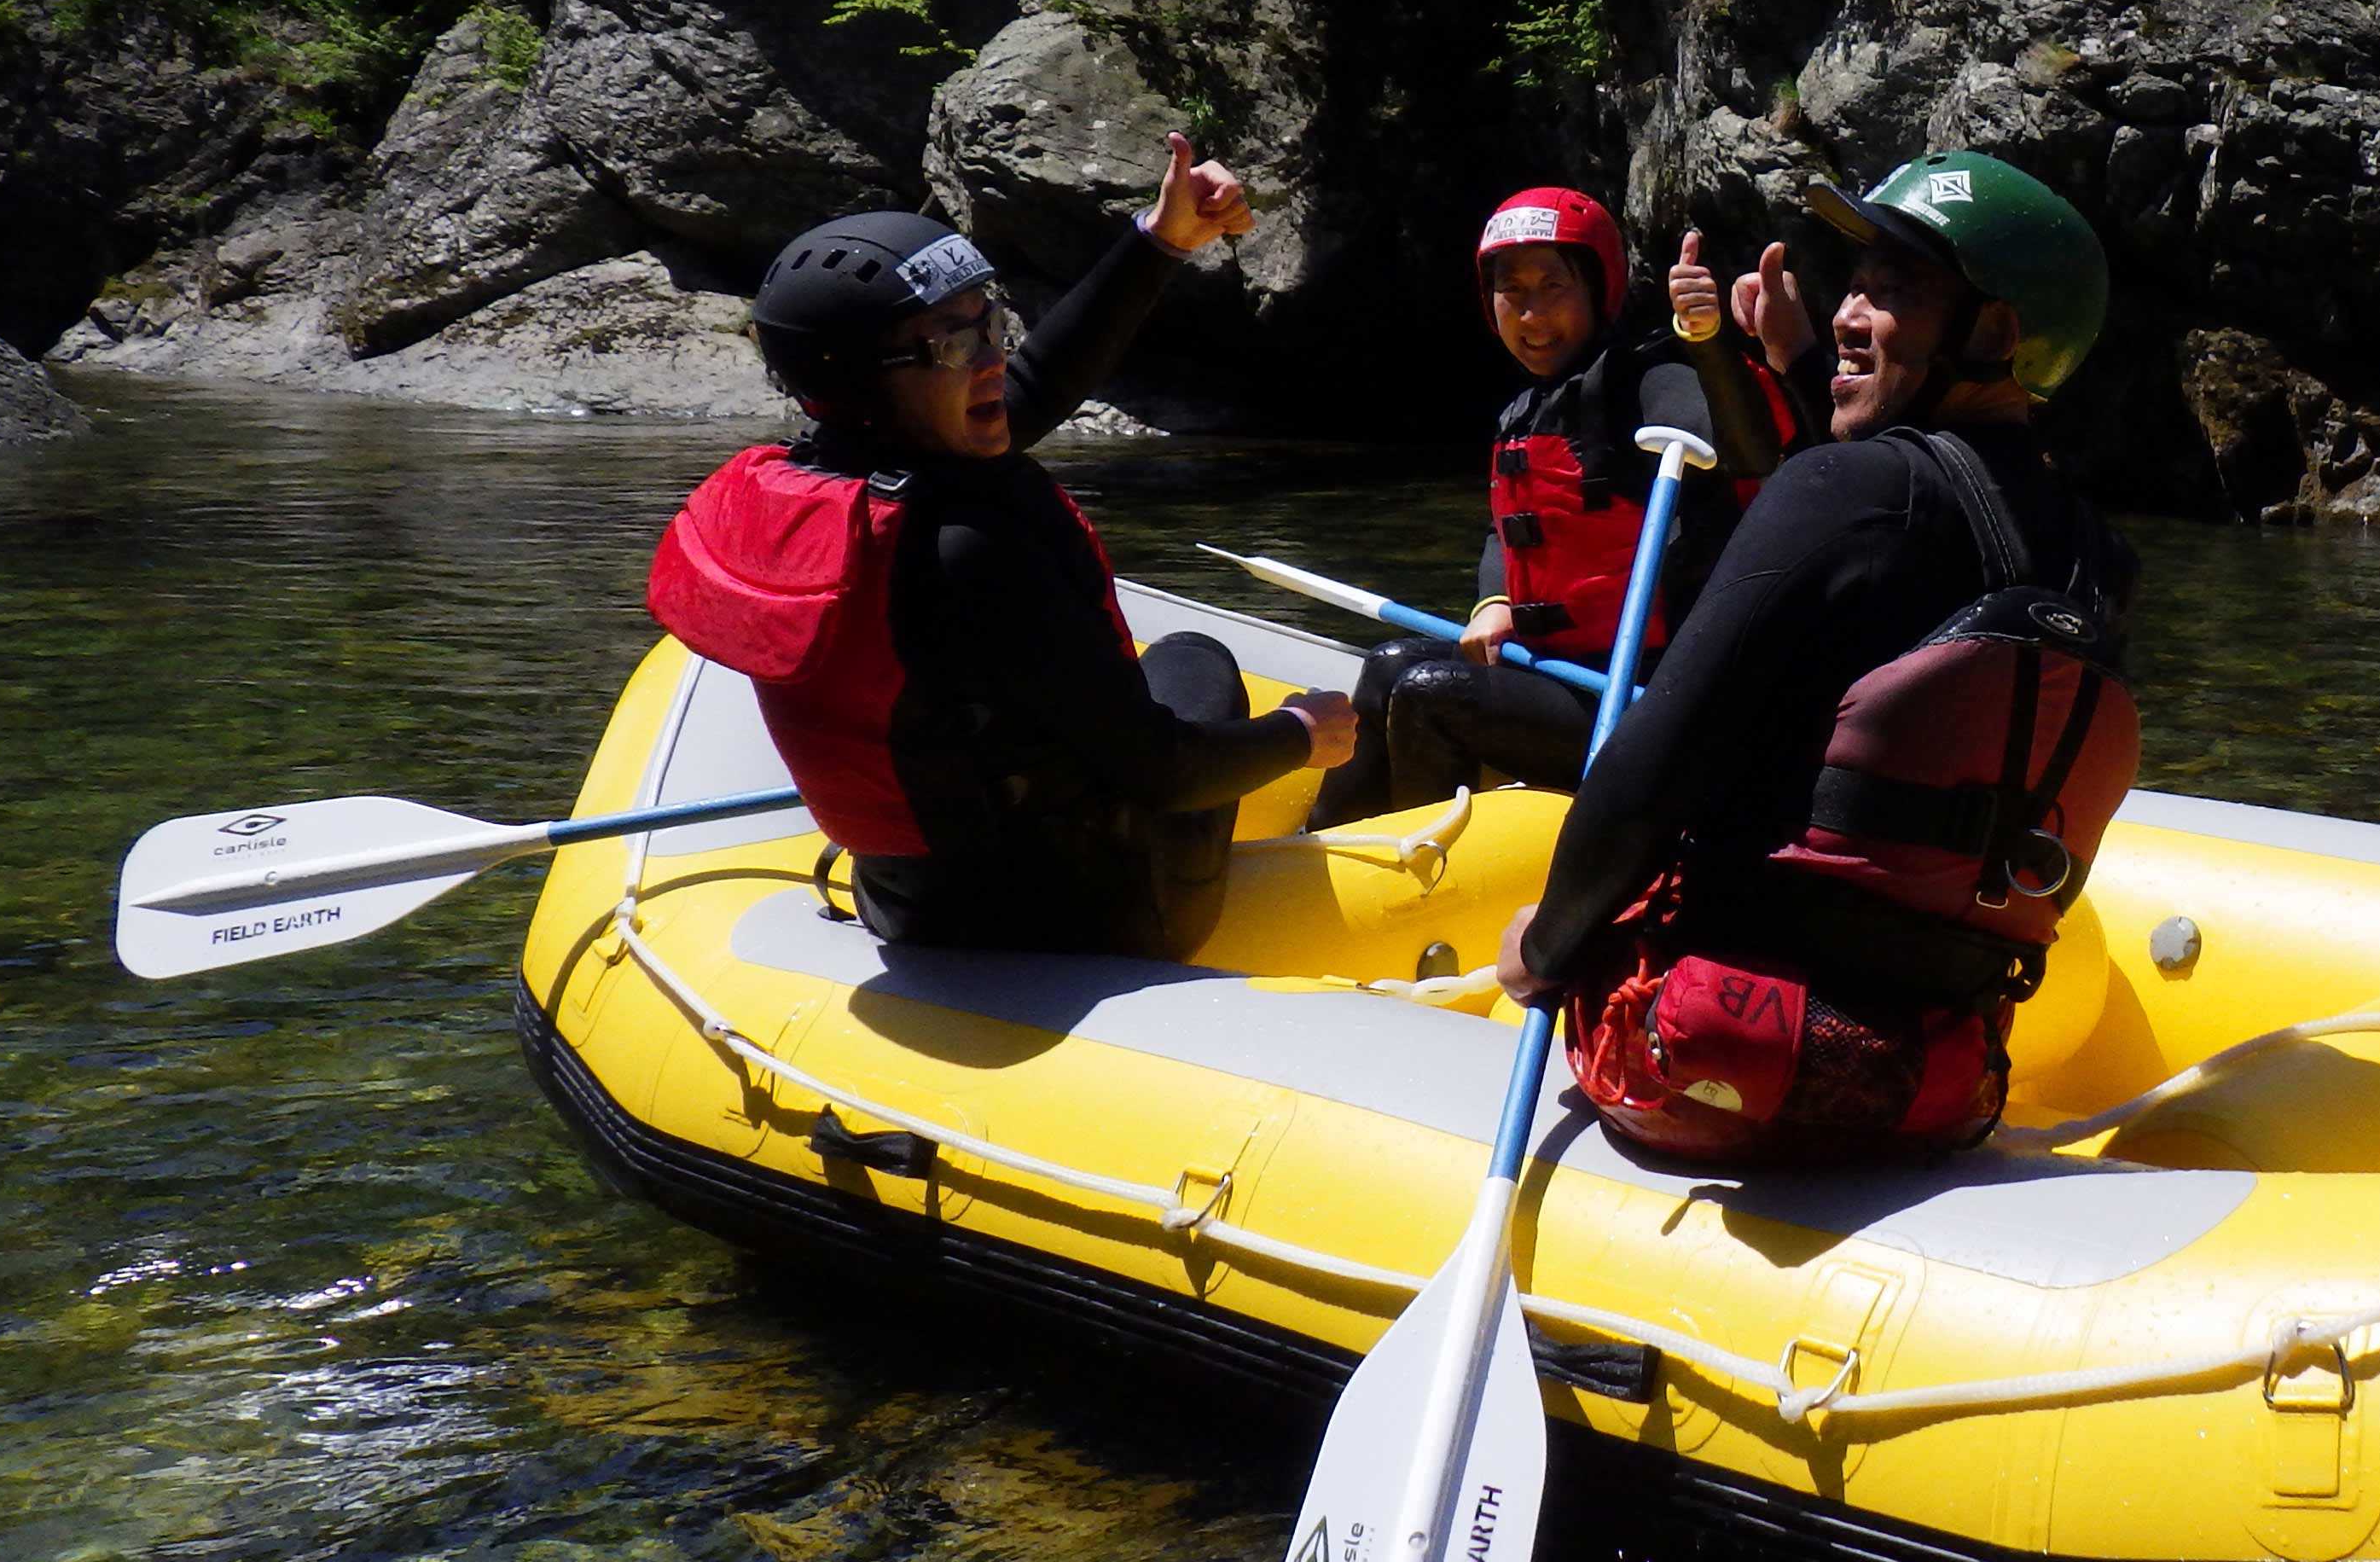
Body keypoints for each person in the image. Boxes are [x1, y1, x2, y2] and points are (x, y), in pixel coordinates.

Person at [1491, 153, 2142, 1166]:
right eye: (1857, 284)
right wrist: (1800, 367)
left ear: (1997, 335)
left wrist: (1543, 950)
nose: (1849, 312)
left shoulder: (1848, 491)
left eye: (1894, 293)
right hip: (1938, 1067)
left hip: (1716, 1047)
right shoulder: (2098, 558)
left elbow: (1648, 772)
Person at [647, 135, 1357, 958]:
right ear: (868, 381)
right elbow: (1163, 771)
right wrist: (1304, 734)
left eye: (992, 325)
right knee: (1199, 658)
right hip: (1084, 918)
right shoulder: (970, 551)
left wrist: (1161, 242)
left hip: (909, 900)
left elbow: (1035, 386)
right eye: (955, 345)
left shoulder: (840, 473)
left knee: (1159, 671)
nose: (994, 360)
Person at [1306, 192, 1799, 824]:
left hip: (1645, 699)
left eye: (1553, 286)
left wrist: (1705, 342)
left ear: (1597, 289)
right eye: (1512, 291)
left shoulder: (1648, 382)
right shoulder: (1524, 410)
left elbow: (1753, 451)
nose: (1533, 315)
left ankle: (1427, 883)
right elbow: (1503, 529)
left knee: (1432, 696)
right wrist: (1494, 601)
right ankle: (1321, 843)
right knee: (1387, 667)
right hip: (1555, 670)